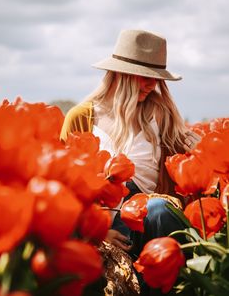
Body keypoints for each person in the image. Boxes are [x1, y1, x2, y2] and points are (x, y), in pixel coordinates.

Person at [60, 29, 201, 295]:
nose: (151, 85)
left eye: (155, 79)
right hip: (105, 227)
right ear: (120, 74)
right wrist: (97, 231)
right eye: (144, 77)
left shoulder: (159, 113)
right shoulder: (82, 118)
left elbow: (196, 160)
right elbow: (65, 185)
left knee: (158, 208)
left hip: (151, 224)